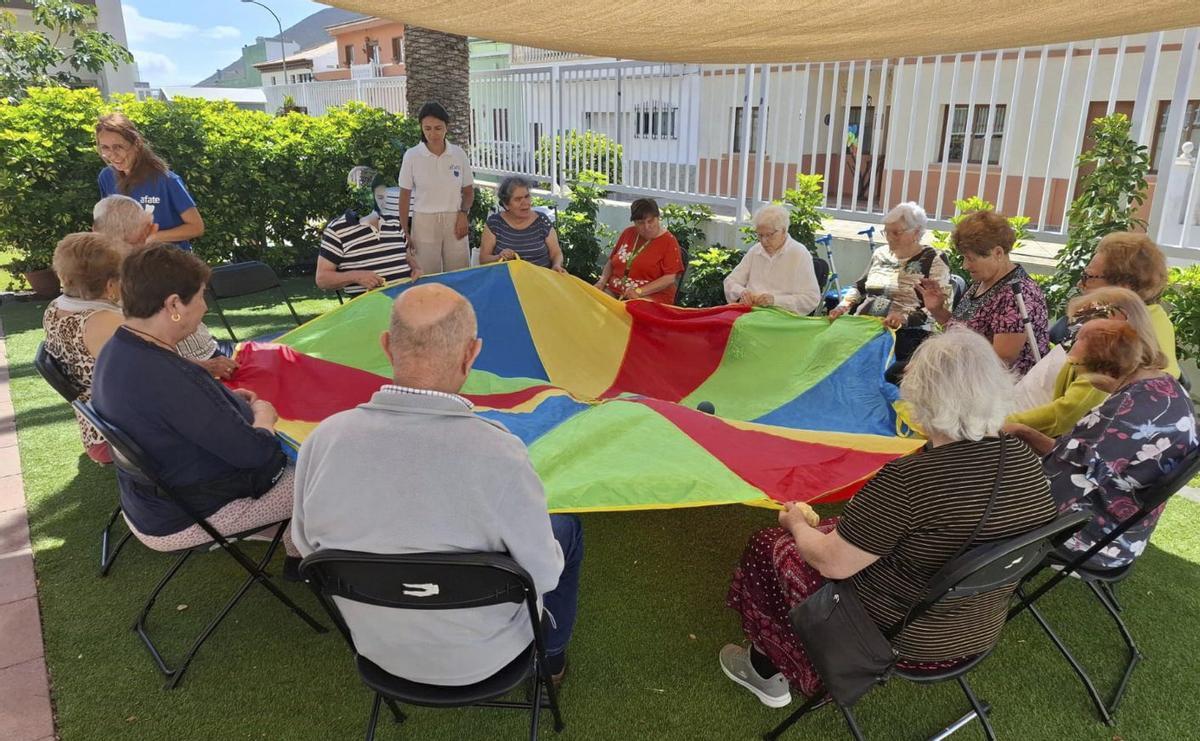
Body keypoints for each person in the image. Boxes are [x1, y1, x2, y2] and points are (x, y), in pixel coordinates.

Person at [721, 327, 1056, 707]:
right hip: (974, 628)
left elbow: (833, 564)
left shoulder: (910, 482)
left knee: (772, 545)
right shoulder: (1025, 460)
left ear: (920, 398)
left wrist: (796, 522)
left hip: (900, 635)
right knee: (835, 536)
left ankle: (766, 667)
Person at [292, 284, 583, 686]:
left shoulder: (323, 440)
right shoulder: (500, 452)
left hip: (381, 653)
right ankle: (550, 659)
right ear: (471, 354)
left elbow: (307, 549)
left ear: (387, 347)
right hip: (492, 655)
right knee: (567, 528)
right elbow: (544, 575)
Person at [91, 246, 296, 556]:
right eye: (200, 296)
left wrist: (223, 401)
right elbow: (258, 455)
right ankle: (313, 557)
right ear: (174, 304)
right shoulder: (166, 376)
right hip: (185, 515)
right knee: (326, 476)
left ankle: (300, 542)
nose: (204, 308)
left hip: (152, 502)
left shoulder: (117, 349)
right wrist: (263, 417)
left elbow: (173, 415)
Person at [1004, 319, 1196, 569]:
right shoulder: (1162, 387)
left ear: (1105, 365)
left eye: (1078, 365)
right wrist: (1023, 432)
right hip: (1120, 531)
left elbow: (1058, 488)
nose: (1075, 371)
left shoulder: (1128, 415)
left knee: (977, 498)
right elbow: (1074, 456)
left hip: (1094, 538)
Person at [92, 194, 236, 379]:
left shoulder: (96, 284)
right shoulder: (146, 272)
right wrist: (205, 367)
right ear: (147, 230)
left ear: (95, 230)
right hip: (195, 366)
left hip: (190, 362)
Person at [1008, 287, 1165, 437]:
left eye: (1087, 324)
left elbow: (1063, 417)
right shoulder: (1144, 381)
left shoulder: (1105, 365)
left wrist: (1000, 425)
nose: (1077, 338)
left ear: (1116, 320)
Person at [919, 210, 1049, 375]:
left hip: (998, 389)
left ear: (998, 253)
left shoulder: (1017, 295)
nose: (965, 266)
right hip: (970, 377)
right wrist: (937, 310)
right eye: (964, 258)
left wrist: (939, 364)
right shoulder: (984, 281)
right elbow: (960, 331)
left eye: (971, 259)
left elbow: (1000, 360)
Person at [43, 233, 125, 464]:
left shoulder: (53, 308)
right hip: (118, 435)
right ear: (110, 284)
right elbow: (154, 377)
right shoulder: (106, 322)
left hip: (95, 427)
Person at [95, 113, 204, 251]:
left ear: (136, 144)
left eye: (118, 147)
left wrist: (151, 238)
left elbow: (196, 227)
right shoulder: (106, 177)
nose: (112, 154)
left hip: (169, 263)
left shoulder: (167, 180)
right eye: (105, 148)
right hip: (128, 262)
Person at [397, 101, 475, 275]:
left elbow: (468, 192)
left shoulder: (458, 154)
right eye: (428, 128)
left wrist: (463, 214)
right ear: (421, 128)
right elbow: (405, 196)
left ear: (447, 127)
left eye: (438, 128)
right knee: (425, 272)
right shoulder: (412, 156)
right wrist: (404, 231)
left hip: (454, 220)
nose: (433, 134)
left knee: (459, 272)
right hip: (423, 221)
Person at [316, 169, 418, 296]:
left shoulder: (393, 221)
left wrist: (416, 268)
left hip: (404, 304)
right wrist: (356, 276)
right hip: (367, 311)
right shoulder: (337, 230)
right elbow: (322, 279)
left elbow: (405, 257)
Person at [722, 204, 820, 315]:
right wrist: (743, 292)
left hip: (781, 318)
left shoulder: (799, 254)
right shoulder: (756, 251)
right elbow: (730, 282)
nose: (763, 241)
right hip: (750, 314)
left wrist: (775, 300)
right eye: (760, 235)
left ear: (783, 230)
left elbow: (811, 299)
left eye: (769, 235)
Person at [595, 198, 684, 304]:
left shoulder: (669, 241)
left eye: (650, 221)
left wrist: (639, 292)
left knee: (632, 310)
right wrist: (601, 282)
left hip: (650, 295)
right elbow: (611, 262)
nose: (647, 227)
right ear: (634, 222)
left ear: (658, 218)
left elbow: (669, 278)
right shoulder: (628, 233)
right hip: (616, 290)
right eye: (640, 223)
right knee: (592, 303)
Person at [480, 176, 566, 272]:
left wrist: (556, 265)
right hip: (507, 283)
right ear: (506, 204)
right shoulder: (495, 223)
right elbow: (483, 260)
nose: (525, 202)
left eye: (527, 196)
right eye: (518, 199)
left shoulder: (542, 221)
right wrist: (499, 257)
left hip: (540, 282)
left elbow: (556, 253)